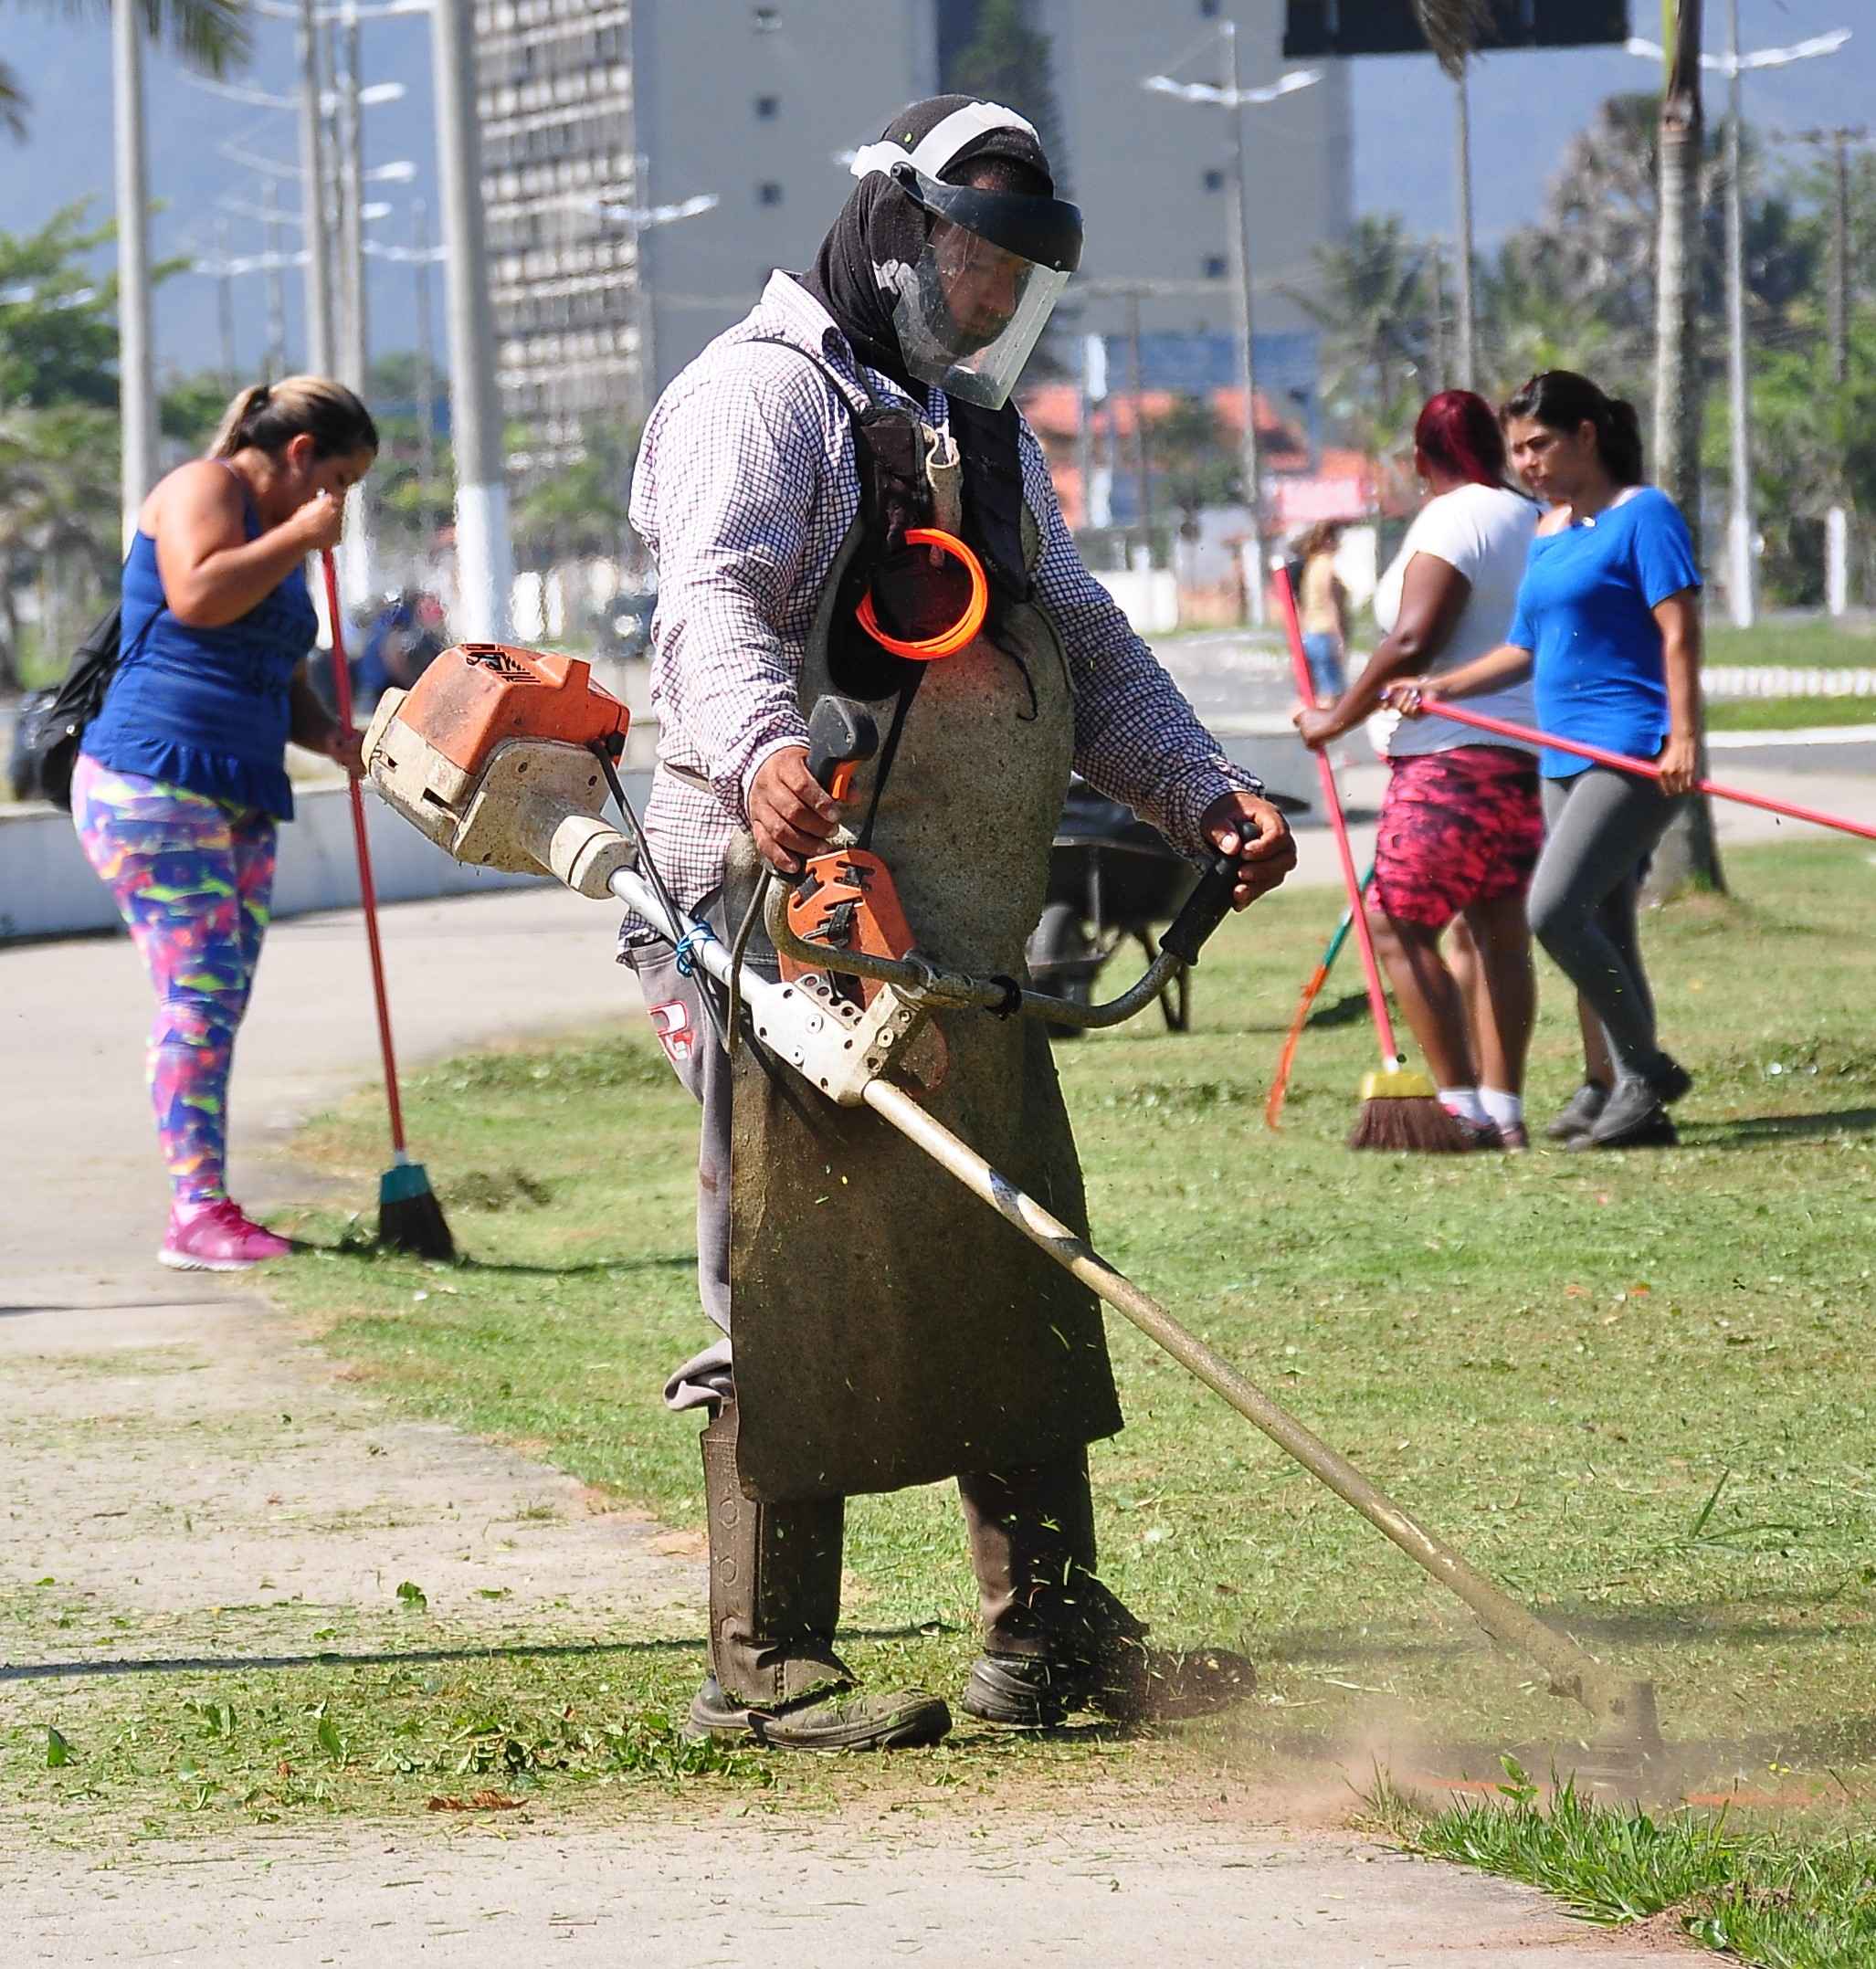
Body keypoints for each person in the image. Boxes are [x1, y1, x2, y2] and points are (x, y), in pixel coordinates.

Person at [623, 96, 1296, 1753]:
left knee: (1013, 1255)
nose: (989, 299)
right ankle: (761, 1661)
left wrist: (1197, 791)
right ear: (894, 227)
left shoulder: (976, 432)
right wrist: (766, 749)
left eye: (1014, 274)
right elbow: (711, 595)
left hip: (962, 929)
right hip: (771, 910)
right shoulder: (758, 395)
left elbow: (1076, 635)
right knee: (789, 1270)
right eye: (970, 259)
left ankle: (1044, 1632)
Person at [73, 376, 376, 1269]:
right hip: (154, 781)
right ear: (298, 455)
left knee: (218, 1003)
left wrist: (326, 732)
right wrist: (295, 537)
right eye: (341, 482)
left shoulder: (277, 537)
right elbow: (200, 595)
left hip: (238, 788)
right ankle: (195, 1214)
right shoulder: (204, 488)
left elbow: (274, 670)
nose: (340, 505)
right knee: (197, 999)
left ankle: (206, 1204)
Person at [1389, 370, 1701, 1150]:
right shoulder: (1550, 530)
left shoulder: (1644, 515)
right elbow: (1524, 647)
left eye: (1540, 445)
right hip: (1560, 751)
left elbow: (1678, 631)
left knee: (1550, 911)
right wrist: (1438, 687)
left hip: (1633, 748)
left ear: (1586, 435)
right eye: (1516, 450)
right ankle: (1631, 1096)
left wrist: (1685, 737)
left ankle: (1647, 1070)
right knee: (1606, 922)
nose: (1526, 463)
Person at [1295, 392, 1542, 1149]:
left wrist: (1334, 717)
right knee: (1499, 931)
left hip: (1450, 759)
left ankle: (1462, 1106)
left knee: (1395, 926)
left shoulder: (1451, 517)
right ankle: (1503, 1110)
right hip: (1526, 755)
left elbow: (1412, 640)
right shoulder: (1529, 515)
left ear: (1419, 460)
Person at [1294, 520, 1350, 702]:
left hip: (1311, 631)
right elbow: (1329, 601)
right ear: (1328, 540)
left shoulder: (1312, 564)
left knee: (1318, 691)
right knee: (1332, 694)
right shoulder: (1326, 564)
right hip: (1325, 632)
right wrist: (1339, 635)